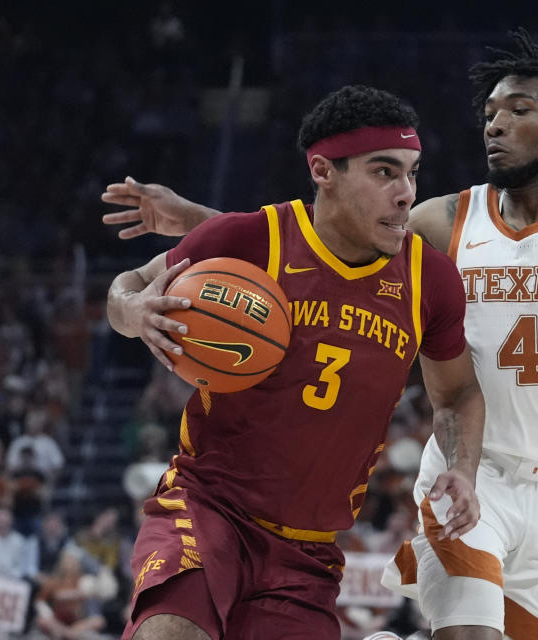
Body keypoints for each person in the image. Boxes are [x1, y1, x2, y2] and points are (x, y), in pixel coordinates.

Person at [101, 14, 538, 639]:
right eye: (490, 112)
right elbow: (325, 242)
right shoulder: (445, 223)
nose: (496, 123)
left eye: (519, 110)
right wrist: (197, 222)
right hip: (472, 474)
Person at [104, 85, 484, 640]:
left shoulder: (431, 280)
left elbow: (459, 394)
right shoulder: (247, 239)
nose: (406, 193)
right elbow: (127, 287)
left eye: (412, 172)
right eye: (384, 172)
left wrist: (464, 468)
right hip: (209, 507)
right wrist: (133, 312)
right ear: (323, 171)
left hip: (308, 550)